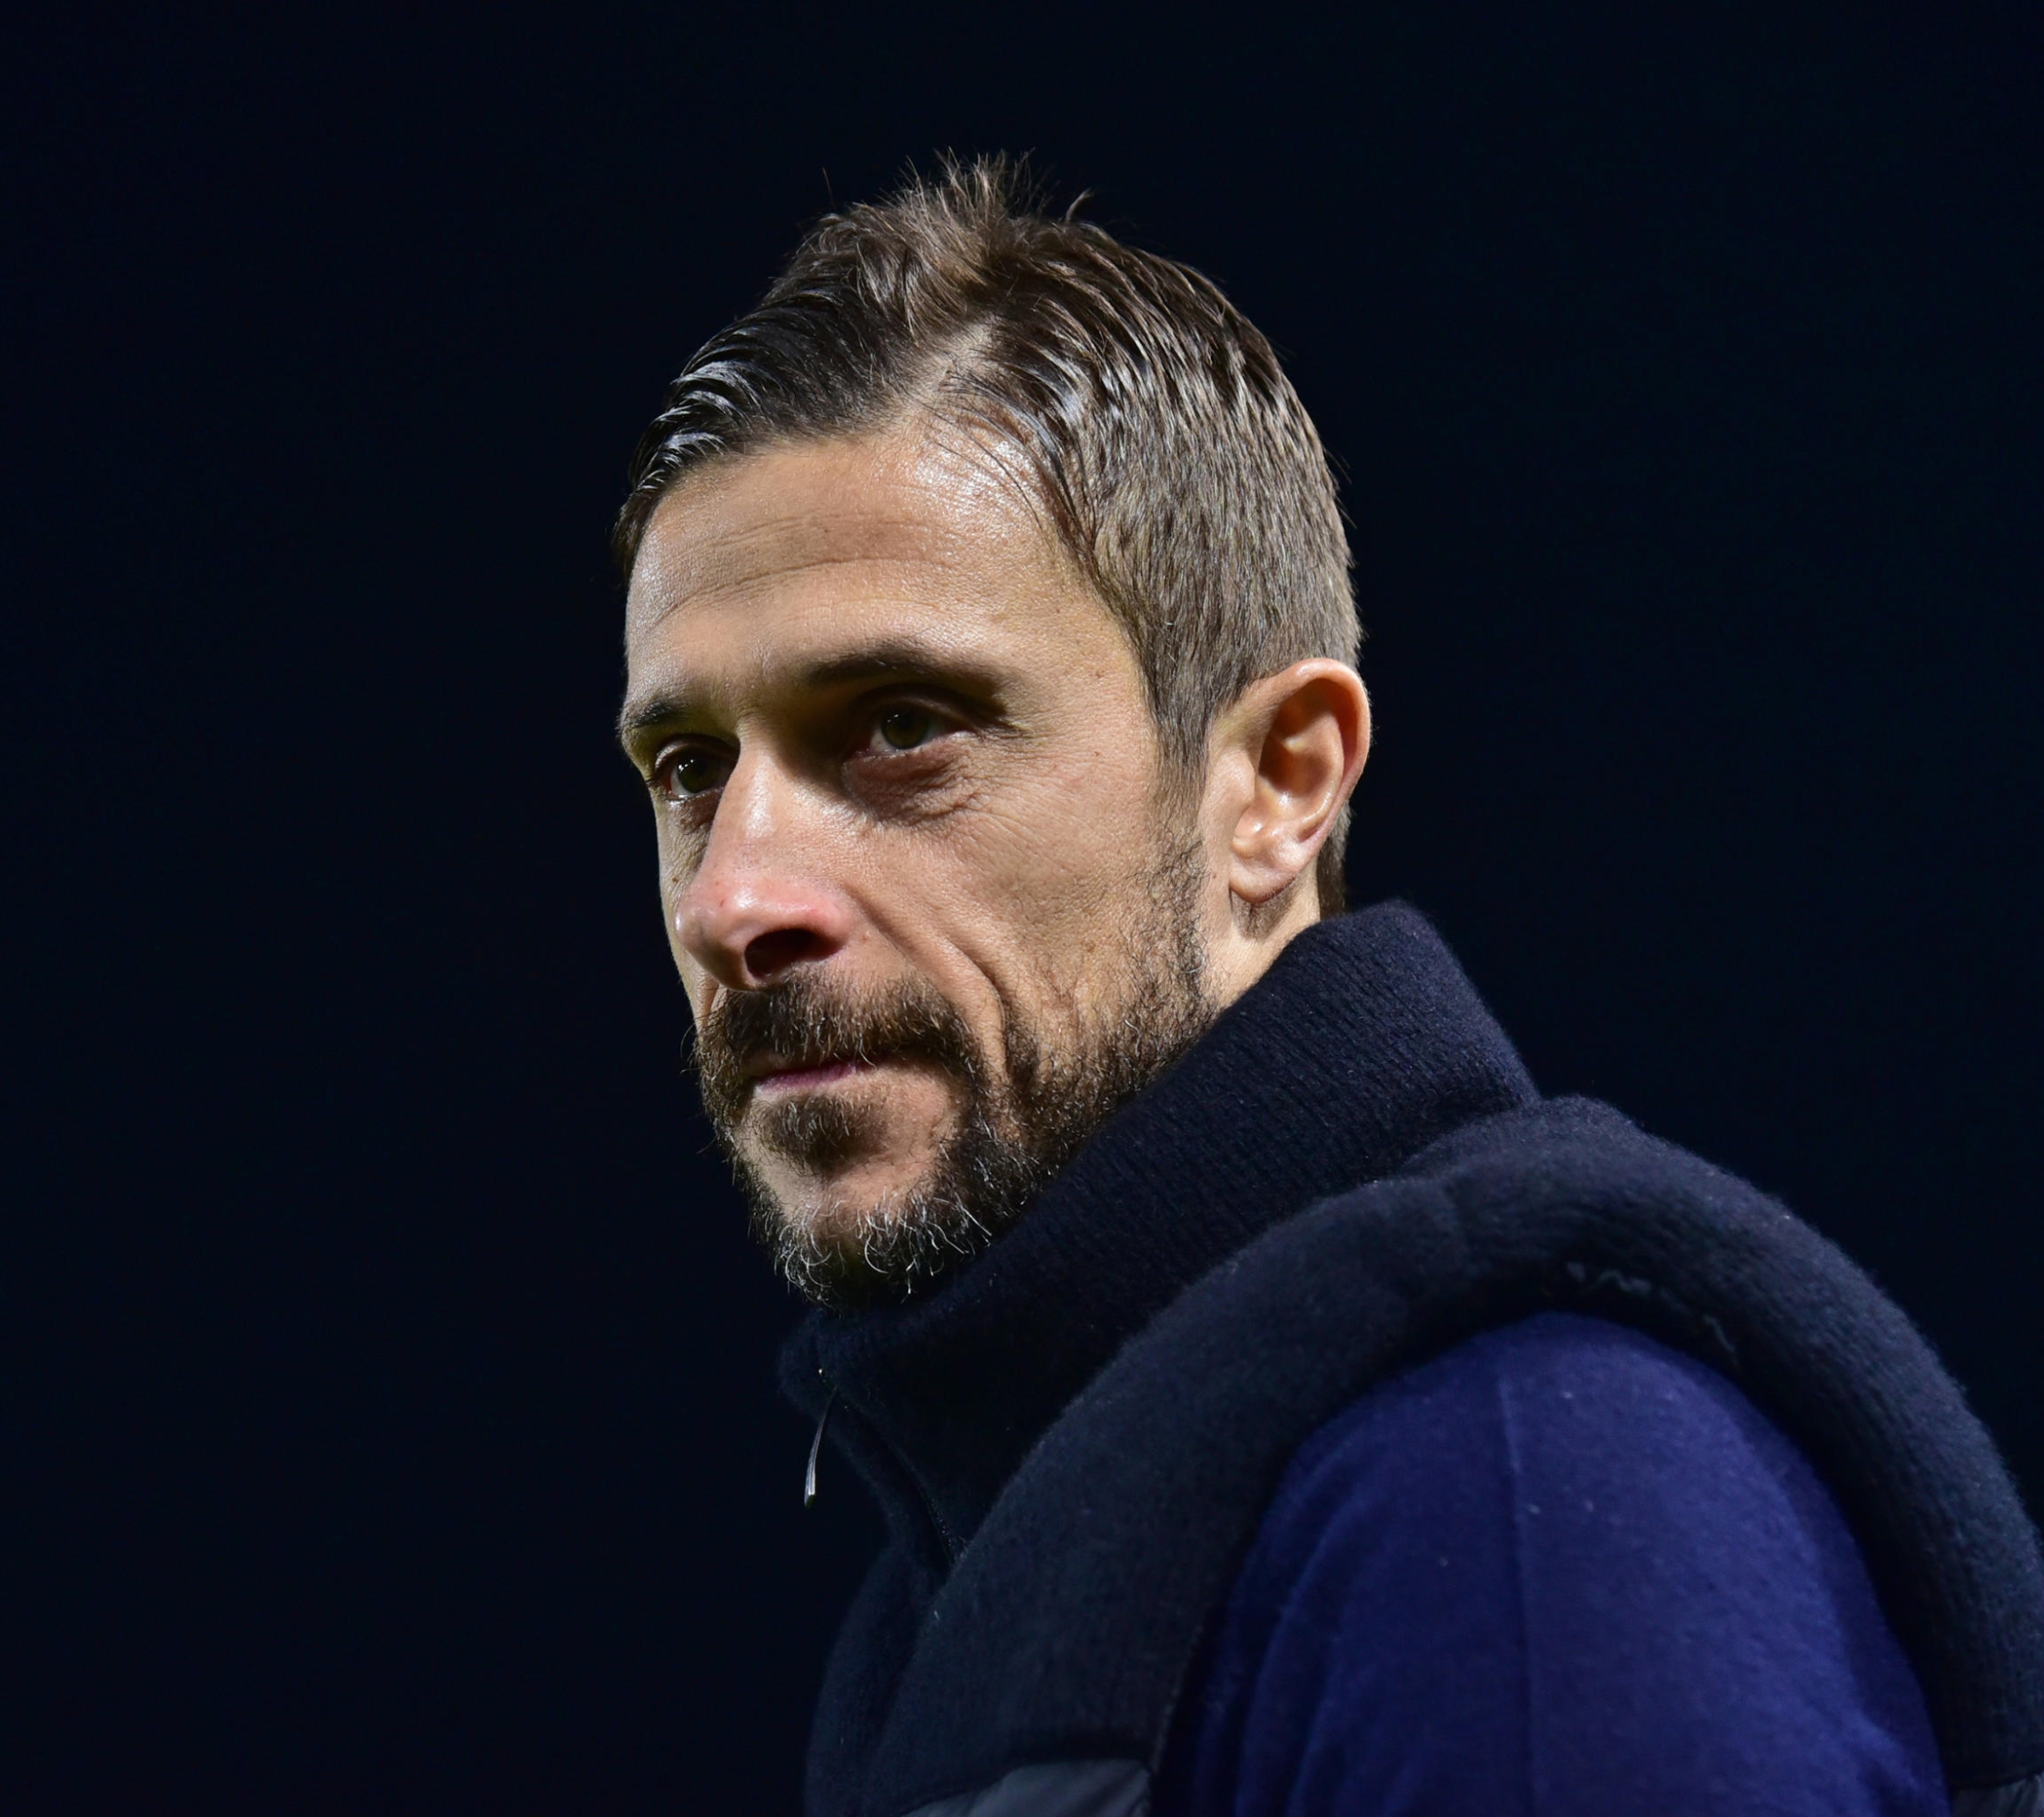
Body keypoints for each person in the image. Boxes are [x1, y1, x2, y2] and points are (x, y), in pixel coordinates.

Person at [611, 158, 2044, 1817]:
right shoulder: (1039, 1529)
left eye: (905, 726)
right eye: (690, 767)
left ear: (1278, 784)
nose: (738, 899)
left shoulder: (1515, 1520)